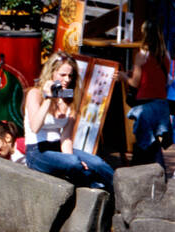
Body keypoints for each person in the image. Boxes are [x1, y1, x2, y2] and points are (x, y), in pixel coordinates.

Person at [23, 51, 116, 190]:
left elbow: (66, 138)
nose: (67, 80)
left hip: (58, 147)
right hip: (37, 151)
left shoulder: (69, 97)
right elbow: (35, 126)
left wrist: (72, 160)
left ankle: (121, 190)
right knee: (74, 163)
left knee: (98, 164)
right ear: (51, 73)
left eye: (70, 76)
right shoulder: (35, 94)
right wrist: (49, 98)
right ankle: (94, 186)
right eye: (62, 75)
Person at [119, 20, 172, 167]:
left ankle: (148, 176)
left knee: (145, 144)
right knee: (154, 144)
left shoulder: (141, 56)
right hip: (161, 104)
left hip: (145, 105)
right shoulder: (166, 55)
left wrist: (124, 77)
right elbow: (163, 79)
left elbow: (134, 83)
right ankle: (158, 174)